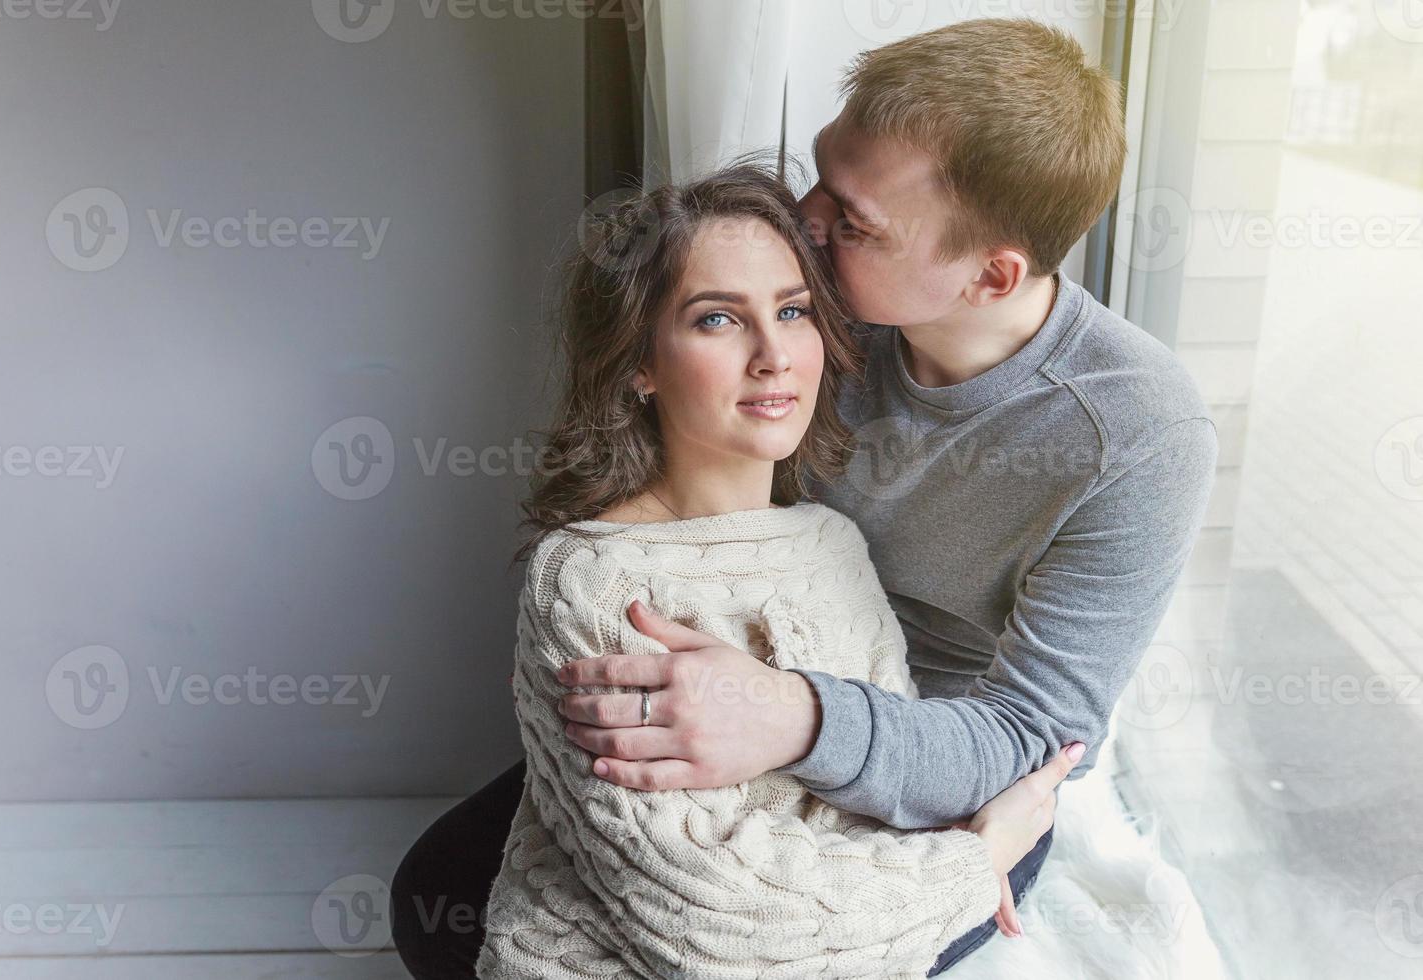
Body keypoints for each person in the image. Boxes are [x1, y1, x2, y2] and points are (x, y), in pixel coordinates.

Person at [394, 16, 1217, 977]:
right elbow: (682, 496)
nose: (807, 219)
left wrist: (795, 718)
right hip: (735, 659)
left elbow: (1025, 737)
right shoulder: (819, 305)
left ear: (988, 273)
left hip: (928, 756)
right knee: (438, 899)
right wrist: (569, 637)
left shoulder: (1137, 433)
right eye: (822, 173)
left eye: (855, 221)